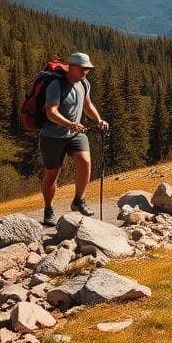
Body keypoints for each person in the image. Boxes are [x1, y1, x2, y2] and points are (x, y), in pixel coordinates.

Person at [40, 52, 109, 226]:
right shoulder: (56, 85)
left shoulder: (84, 84)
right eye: (82, 69)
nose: (86, 72)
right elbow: (51, 111)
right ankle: (48, 209)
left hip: (75, 134)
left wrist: (98, 120)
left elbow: (87, 105)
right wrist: (69, 124)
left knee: (85, 161)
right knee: (52, 174)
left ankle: (79, 200)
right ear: (71, 67)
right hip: (52, 136)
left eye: (88, 69)